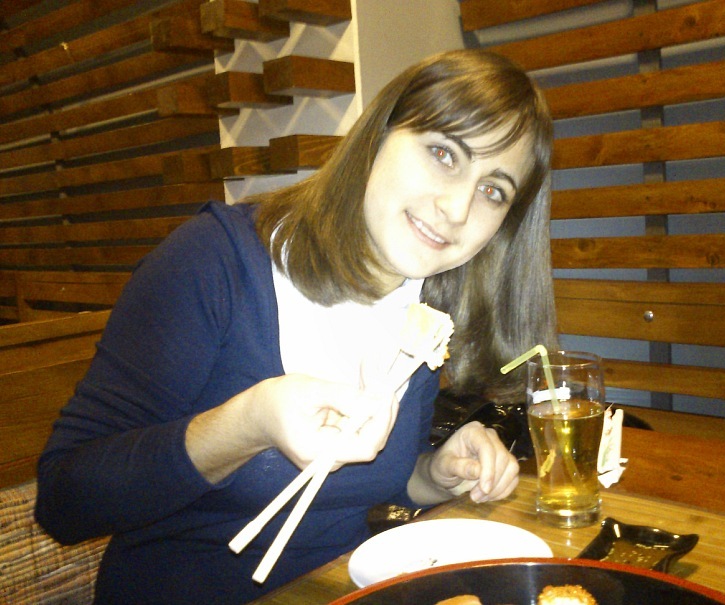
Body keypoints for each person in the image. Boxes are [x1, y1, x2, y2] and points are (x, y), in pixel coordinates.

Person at [35, 49, 557, 605]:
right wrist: (249, 422)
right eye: (443, 153)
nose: (457, 208)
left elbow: (355, 487)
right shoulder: (214, 261)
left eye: (493, 190)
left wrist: (432, 475)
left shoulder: (423, 315)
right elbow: (65, 503)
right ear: (378, 135)